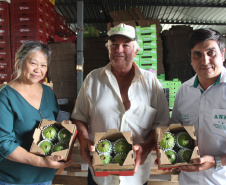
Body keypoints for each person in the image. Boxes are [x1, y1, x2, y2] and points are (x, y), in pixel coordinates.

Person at [71, 23, 169, 185]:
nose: (119, 49)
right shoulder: (93, 79)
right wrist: (84, 139)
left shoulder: (150, 82)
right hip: (100, 173)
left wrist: (147, 146)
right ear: (108, 48)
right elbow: (79, 116)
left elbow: (162, 123)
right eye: (114, 44)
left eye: (126, 45)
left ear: (136, 50)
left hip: (136, 176)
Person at [0, 41, 73, 185]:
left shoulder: (47, 92)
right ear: (20, 61)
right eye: (33, 63)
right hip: (15, 179)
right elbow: (4, 144)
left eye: (43, 65)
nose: (38, 70)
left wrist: (62, 126)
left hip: (45, 177)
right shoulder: (5, 97)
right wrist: (41, 161)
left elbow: (51, 124)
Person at [170, 28, 226, 185]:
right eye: (197, 54)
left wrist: (216, 161)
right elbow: (176, 130)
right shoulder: (184, 91)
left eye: (211, 53)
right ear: (191, 58)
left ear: (222, 54)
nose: (205, 60)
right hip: (188, 180)